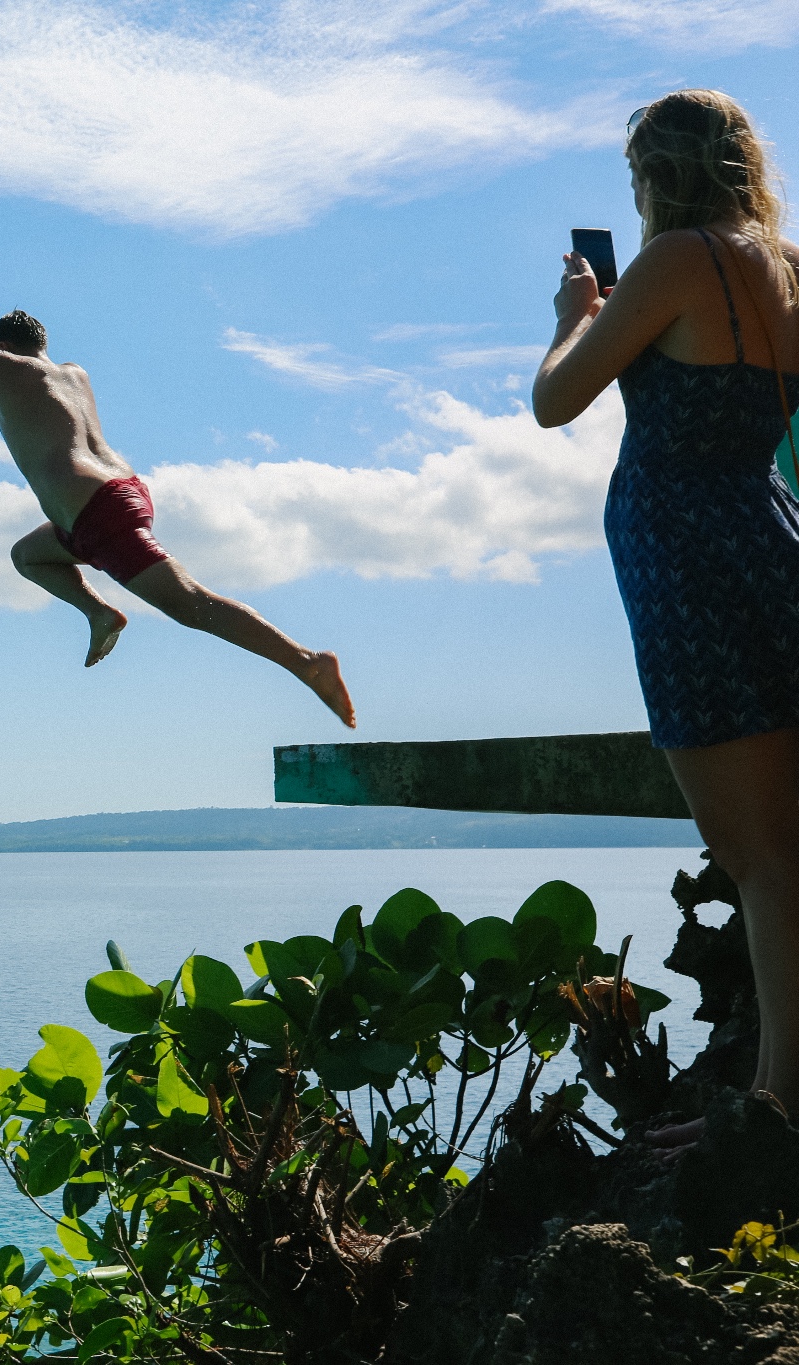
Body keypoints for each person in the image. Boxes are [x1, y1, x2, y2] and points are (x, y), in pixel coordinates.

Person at [531, 89, 799, 1143]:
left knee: (759, 857)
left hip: (682, 559)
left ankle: (772, 1117)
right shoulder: (785, 269)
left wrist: (570, 323)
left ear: (655, 171)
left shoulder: (674, 261)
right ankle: (772, 1104)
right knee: (782, 857)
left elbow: (557, 401)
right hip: (767, 535)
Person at [0, 297, 356, 727]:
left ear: (3, 345)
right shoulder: (73, 374)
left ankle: (306, 661)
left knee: (192, 604)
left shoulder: (3, 365)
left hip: (96, 509)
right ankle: (100, 613)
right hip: (110, 499)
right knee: (29, 555)